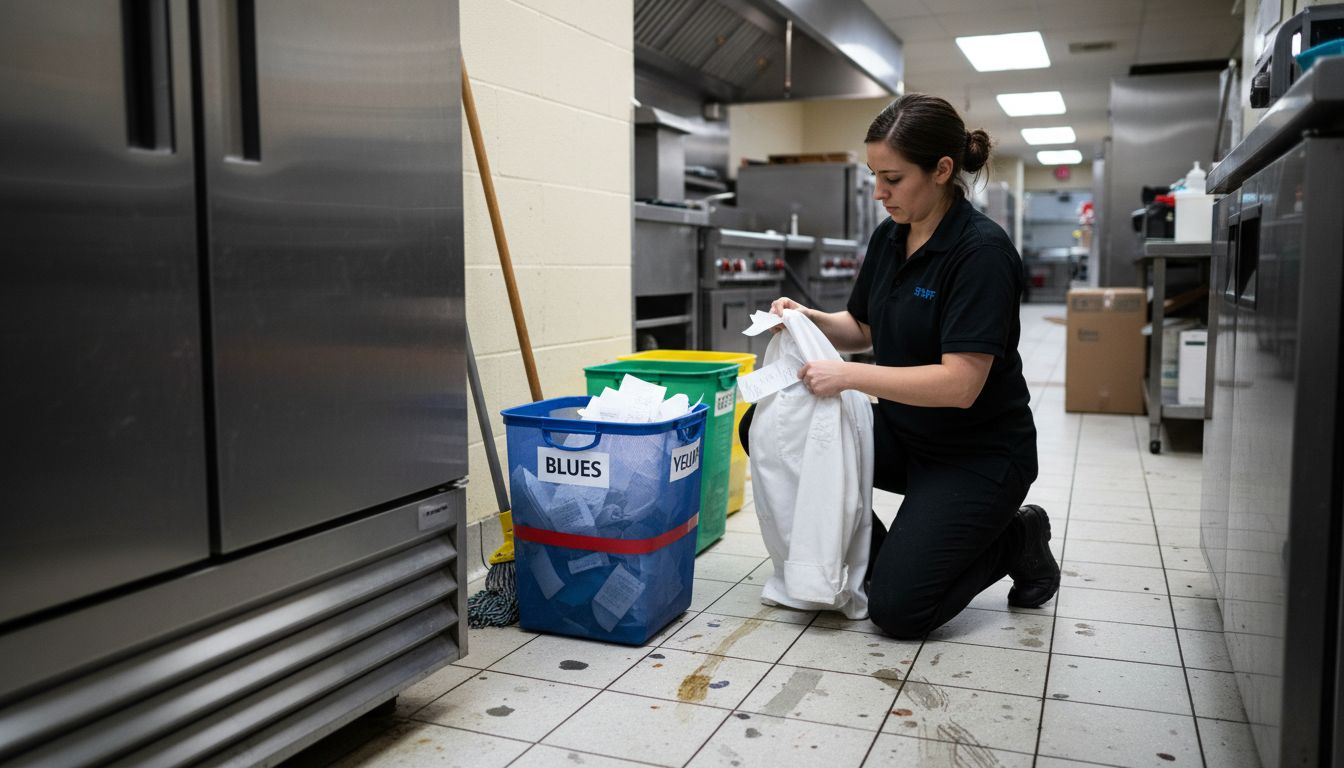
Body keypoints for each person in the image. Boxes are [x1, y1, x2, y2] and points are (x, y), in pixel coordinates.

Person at [740, 93, 1059, 639]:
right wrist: (805, 319)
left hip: (977, 454)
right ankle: (874, 553)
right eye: (873, 176)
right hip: (906, 432)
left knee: (899, 611)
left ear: (942, 170)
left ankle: (1018, 537)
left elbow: (960, 384)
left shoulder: (981, 253)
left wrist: (847, 376)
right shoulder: (891, 236)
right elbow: (862, 328)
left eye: (892, 177)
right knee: (764, 425)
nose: (879, 192)